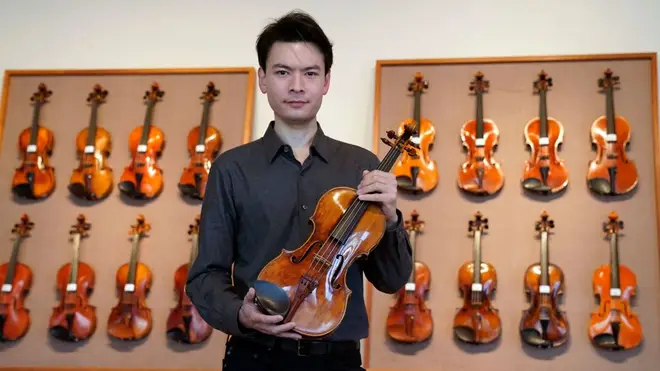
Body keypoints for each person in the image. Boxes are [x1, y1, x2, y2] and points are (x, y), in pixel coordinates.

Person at [185, 9, 413, 371]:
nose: (296, 86)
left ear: (325, 81)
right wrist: (239, 315)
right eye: (282, 72)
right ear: (262, 79)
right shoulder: (231, 168)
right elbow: (204, 274)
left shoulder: (361, 165)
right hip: (254, 357)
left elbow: (391, 280)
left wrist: (391, 217)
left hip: (337, 359)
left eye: (310, 73)